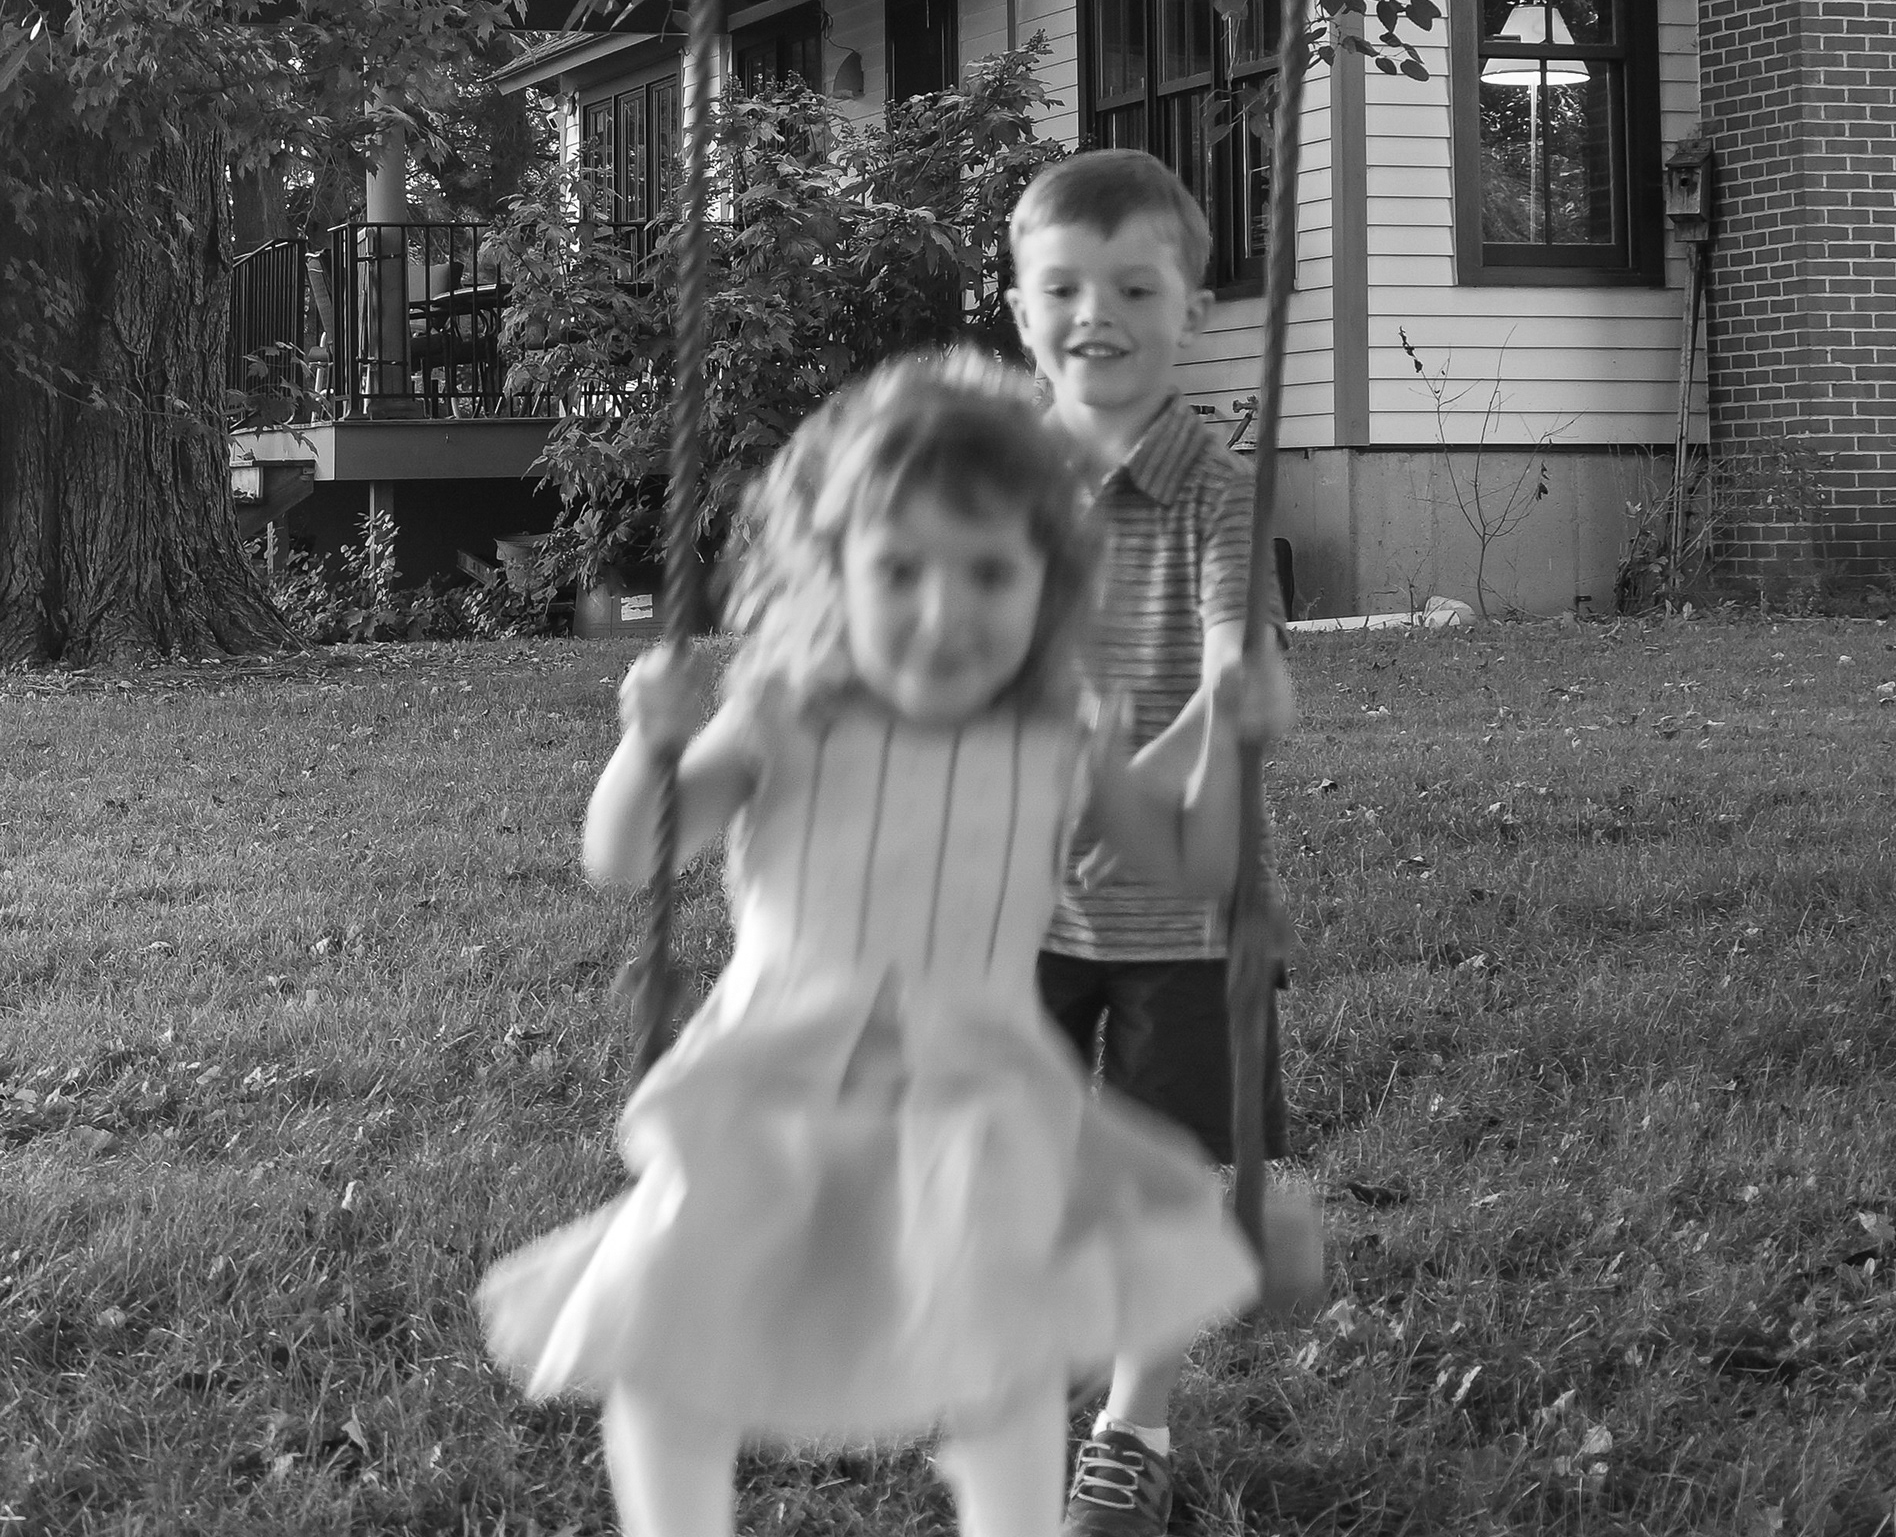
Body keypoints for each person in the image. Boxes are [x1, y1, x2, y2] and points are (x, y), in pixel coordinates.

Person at [477, 352, 1292, 1537]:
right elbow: (626, 853)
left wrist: (1229, 730)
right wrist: (645, 749)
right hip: (773, 1083)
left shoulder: (1063, 729)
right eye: (899, 569)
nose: (945, 611)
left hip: (981, 1095)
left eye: (989, 572)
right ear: (833, 572)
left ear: (1051, 582)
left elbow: (1193, 870)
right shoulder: (786, 713)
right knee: (671, 1349)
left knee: (1000, 1366)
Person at [1004, 149, 1294, 1537]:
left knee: (1167, 1178)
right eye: (1063, 286)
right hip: (1015, 904)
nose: (1095, 314)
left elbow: (1232, 676)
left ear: (1193, 312)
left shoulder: (1218, 492)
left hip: (1180, 903)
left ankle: (1134, 1422)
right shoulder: (998, 490)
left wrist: (1142, 773)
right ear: (1019, 312)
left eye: (1134, 285)